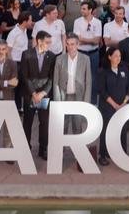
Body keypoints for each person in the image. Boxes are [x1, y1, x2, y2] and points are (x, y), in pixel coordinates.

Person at [51, 34, 92, 153]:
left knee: (77, 125)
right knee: (62, 125)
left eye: (72, 44)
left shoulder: (85, 59)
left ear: (78, 44)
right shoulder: (60, 59)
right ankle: (60, 152)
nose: (70, 47)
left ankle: (78, 151)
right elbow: (56, 82)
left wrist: (86, 101)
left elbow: (88, 81)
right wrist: (58, 101)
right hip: (64, 97)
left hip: (78, 97)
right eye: (67, 44)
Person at [19, 31, 56, 160]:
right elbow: (25, 76)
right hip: (30, 95)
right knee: (27, 122)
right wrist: (34, 93)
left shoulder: (52, 56)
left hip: (44, 96)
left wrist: (43, 93)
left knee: (44, 122)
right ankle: (25, 148)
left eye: (50, 42)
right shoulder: (26, 54)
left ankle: (43, 149)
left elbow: (52, 78)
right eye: (47, 42)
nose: (49, 45)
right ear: (39, 41)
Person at [97, 47, 129, 166]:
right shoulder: (103, 71)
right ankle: (103, 154)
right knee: (106, 130)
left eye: (120, 56)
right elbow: (102, 91)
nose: (118, 58)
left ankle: (121, 154)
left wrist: (124, 103)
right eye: (116, 55)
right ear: (109, 57)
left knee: (122, 130)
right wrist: (115, 105)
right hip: (107, 107)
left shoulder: (124, 70)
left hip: (122, 106)